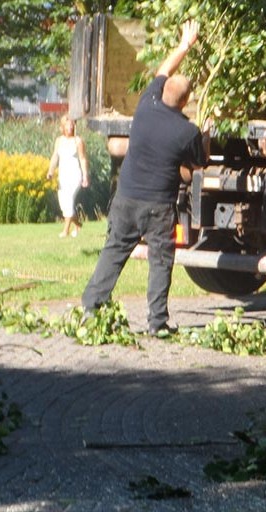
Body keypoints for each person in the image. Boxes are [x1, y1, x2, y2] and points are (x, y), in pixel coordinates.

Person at [81, 20, 210, 336]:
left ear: (163, 92)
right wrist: (206, 135)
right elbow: (198, 164)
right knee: (160, 262)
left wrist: (184, 44)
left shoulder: (146, 103)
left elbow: (162, 71)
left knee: (113, 253)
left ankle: (90, 310)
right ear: (184, 102)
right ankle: (157, 323)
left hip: (125, 199)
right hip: (158, 207)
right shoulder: (186, 131)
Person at [47, 116, 90, 238]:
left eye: (72, 125)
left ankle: (65, 231)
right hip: (63, 175)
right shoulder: (59, 141)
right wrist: (50, 171)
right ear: (62, 127)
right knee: (63, 203)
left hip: (75, 174)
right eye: (67, 125)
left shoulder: (78, 141)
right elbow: (55, 156)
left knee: (69, 200)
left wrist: (85, 176)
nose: (70, 127)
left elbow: (82, 159)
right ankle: (77, 224)